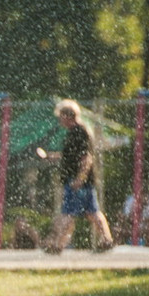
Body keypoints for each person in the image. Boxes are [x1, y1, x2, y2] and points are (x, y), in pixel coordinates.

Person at [42, 99, 115, 254]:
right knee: (92, 212)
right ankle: (107, 240)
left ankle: (57, 244)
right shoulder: (76, 132)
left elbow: (86, 158)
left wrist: (79, 178)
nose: (60, 119)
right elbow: (71, 156)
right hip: (82, 181)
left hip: (78, 181)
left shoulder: (79, 132)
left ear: (68, 116)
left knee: (68, 213)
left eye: (61, 116)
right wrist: (52, 156)